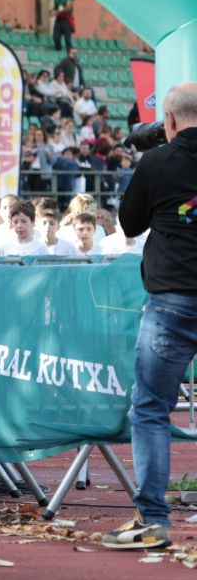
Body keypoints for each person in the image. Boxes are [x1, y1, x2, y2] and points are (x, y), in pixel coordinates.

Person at [107, 81, 197, 550]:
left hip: (173, 300)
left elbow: (128, 224)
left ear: (168, 119)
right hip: (173, 298)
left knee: (151, 409)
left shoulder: (158, 161)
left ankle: (154, 519)